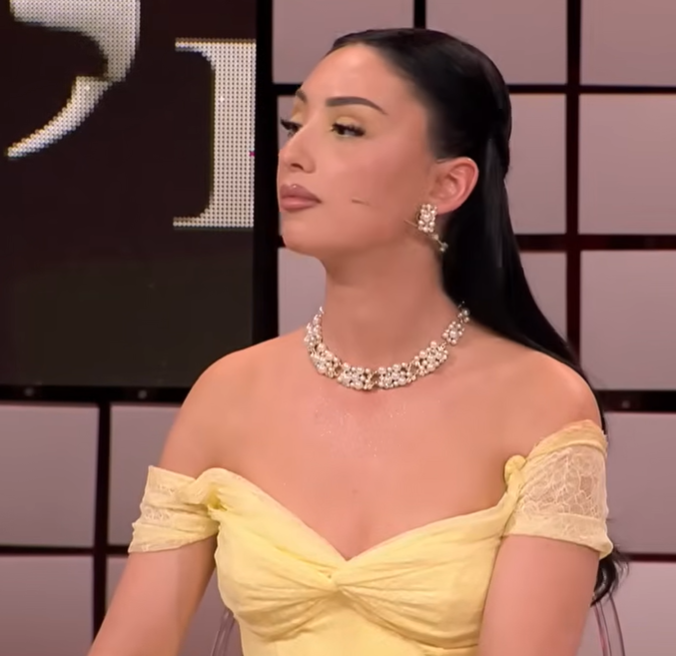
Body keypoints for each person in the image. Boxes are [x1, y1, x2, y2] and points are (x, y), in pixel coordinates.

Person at [89, 27, 624, 656]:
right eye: (294, 126)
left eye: (347, 128)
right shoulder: (228, 393)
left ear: (447, 185)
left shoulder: (542, 403)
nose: (294, 154)